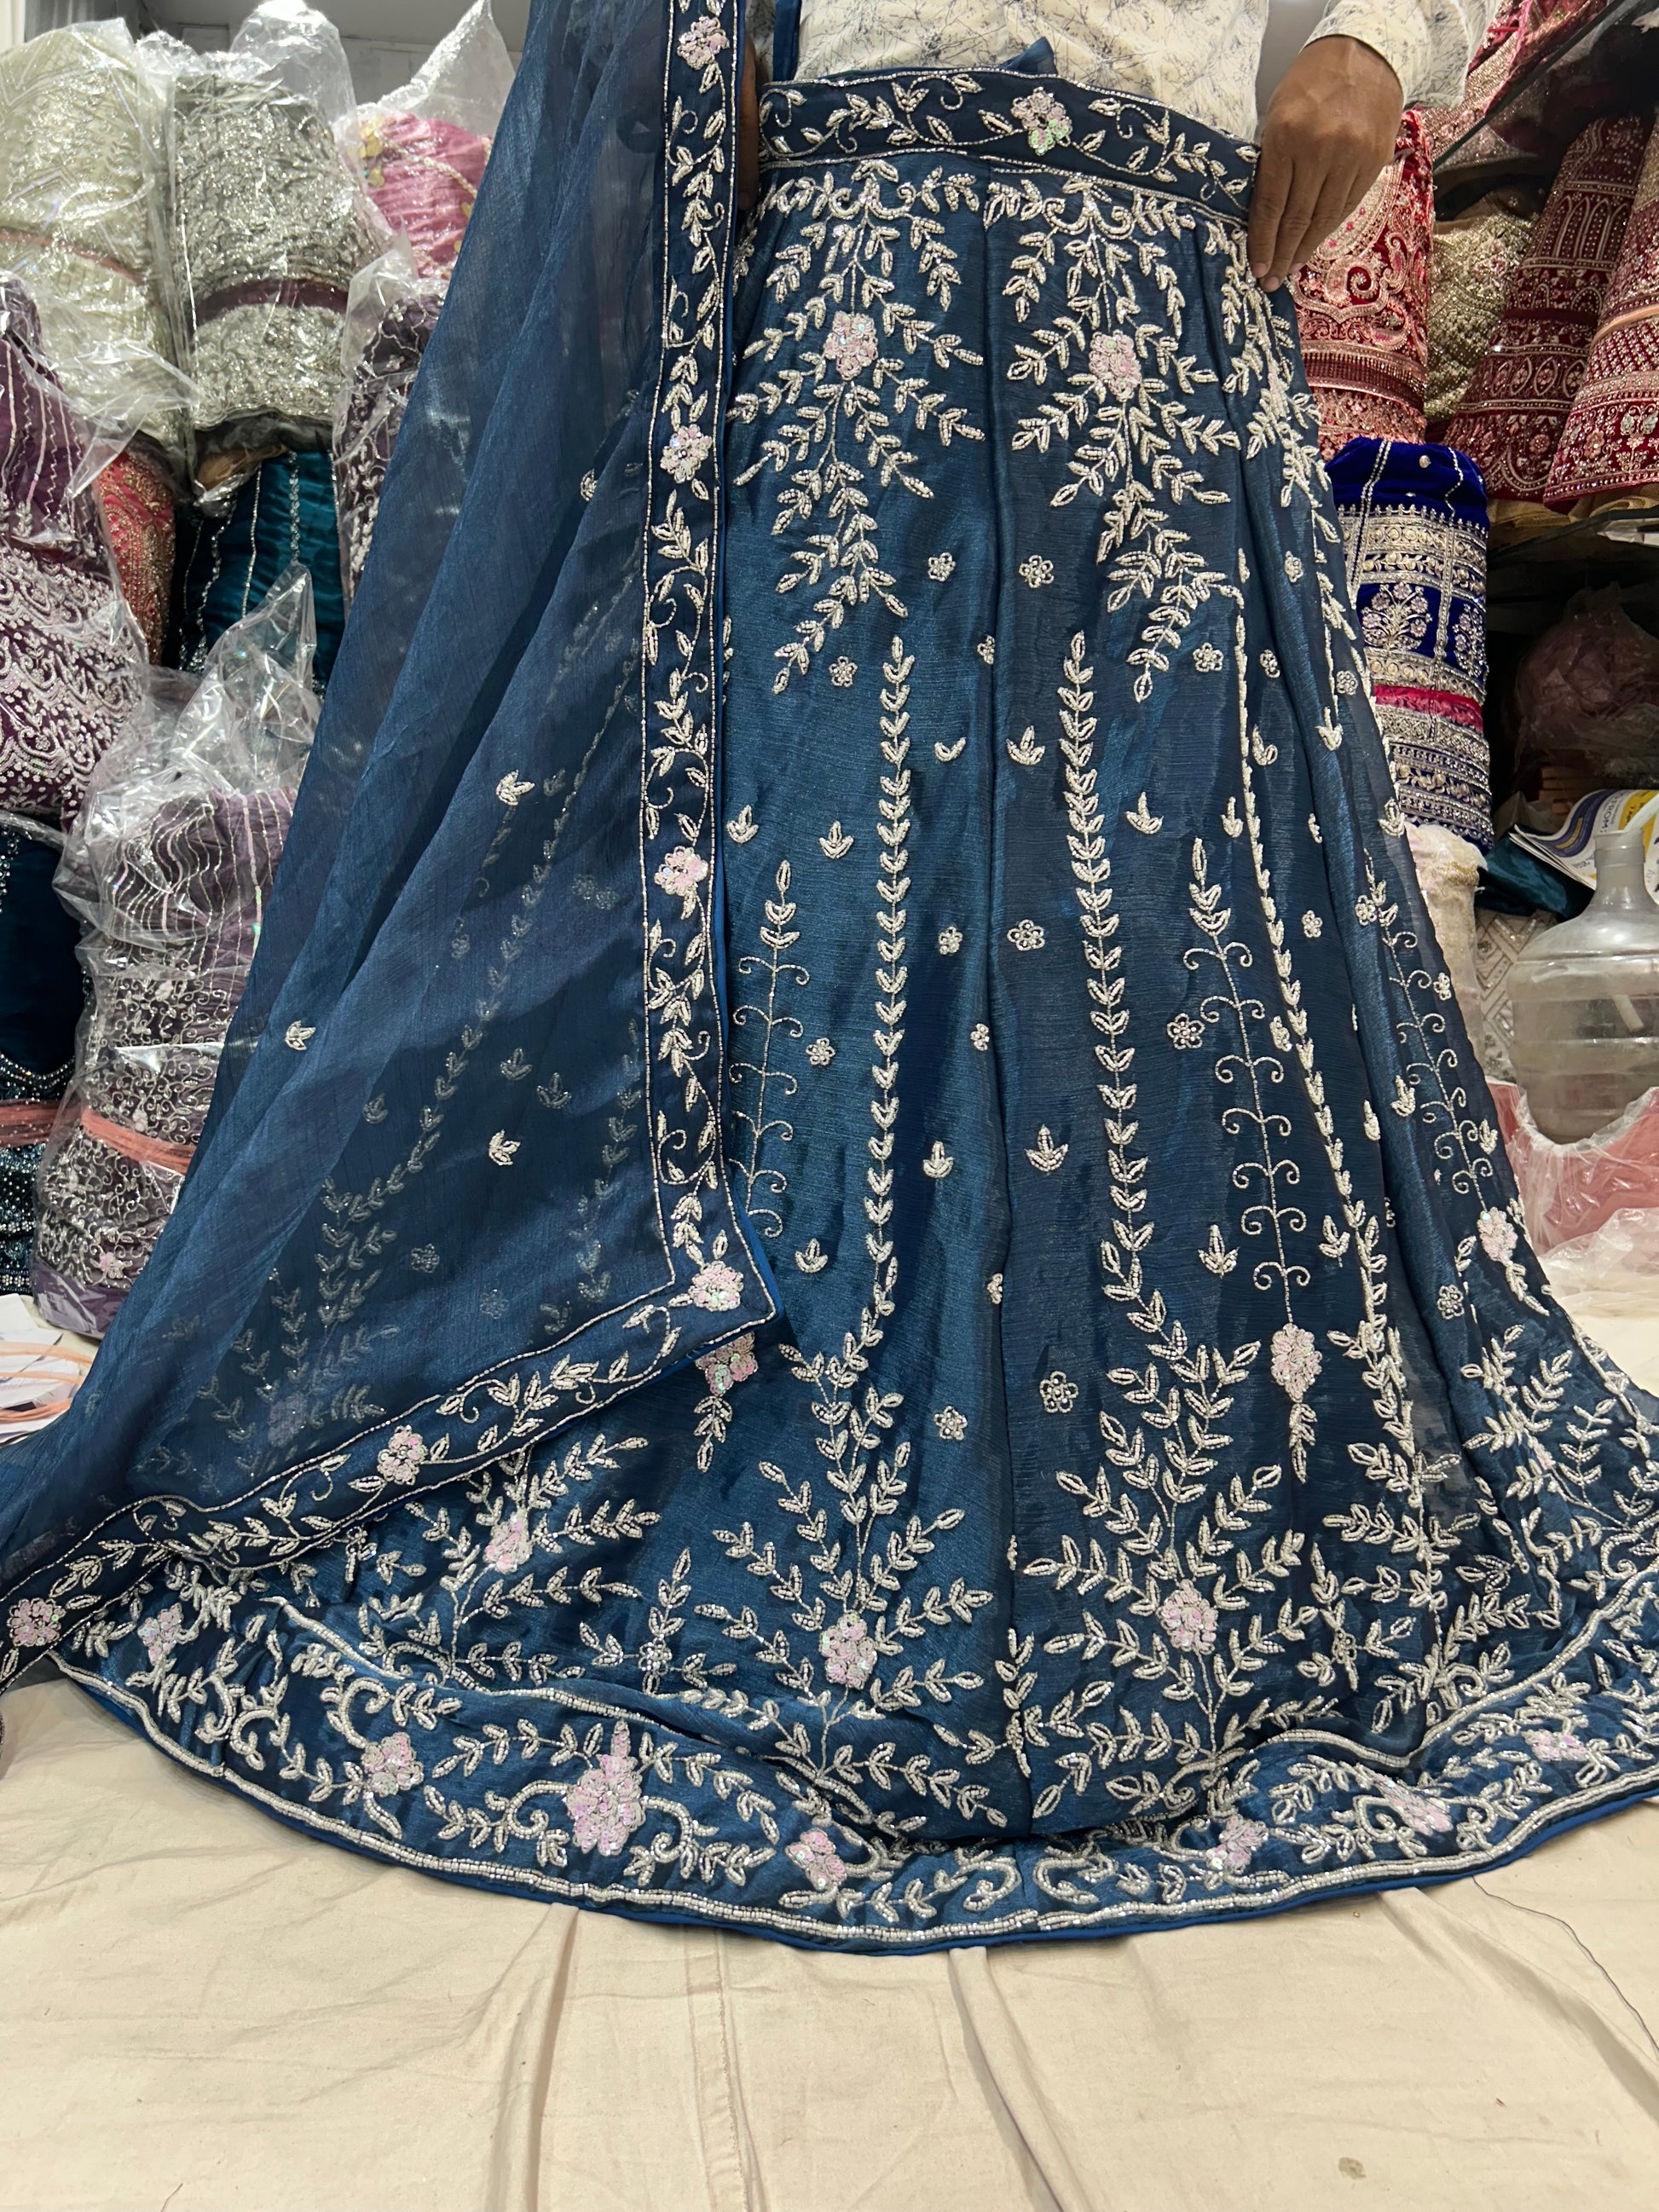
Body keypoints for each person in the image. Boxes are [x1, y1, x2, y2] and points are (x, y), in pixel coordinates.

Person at [7, 0, 1658, 1955]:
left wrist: (1381, 39)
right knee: (821, 904)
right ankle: (843, 1495)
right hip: (845, 269)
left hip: (1162, 268)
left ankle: (1163, 1518)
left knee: (1156, 902)